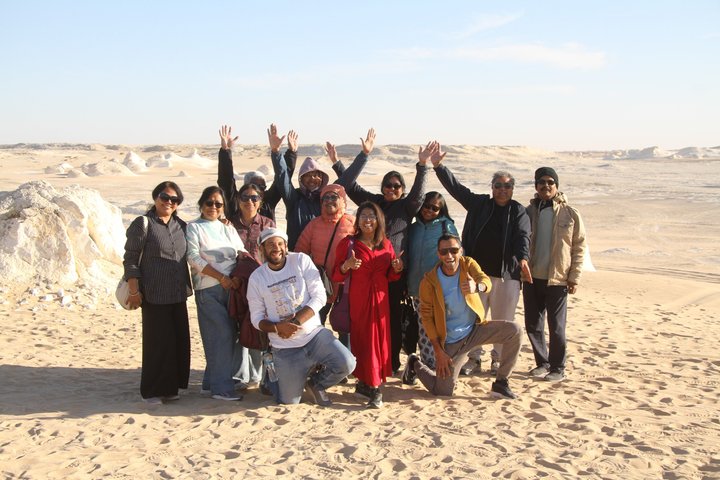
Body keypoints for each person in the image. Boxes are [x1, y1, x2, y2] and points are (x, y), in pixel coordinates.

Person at [332, 132, 434, 372]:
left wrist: (422, 166)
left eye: (397, 186)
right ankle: (363, 363)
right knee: (363, 319)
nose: (391, 189)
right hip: (365, 273)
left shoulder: (406, 207)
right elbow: (347, 185)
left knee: (391, 320)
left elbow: (419, 194)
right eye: (388, 185)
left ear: (402, 189)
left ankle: (391, 363)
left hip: (393, 273)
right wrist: (362, 155)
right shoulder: (373, 203)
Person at [432, 150, 530, 376]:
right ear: (492, 187)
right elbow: (456, 189)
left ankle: (498, 359)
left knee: (503, 320)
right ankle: (473, 358)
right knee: (474, 317)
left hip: (506, 277)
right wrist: (438, 167)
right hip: (475, 275)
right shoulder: (479, 204)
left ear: (512, 189)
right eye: (498, 185)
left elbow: (523, 237)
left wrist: (523, 259)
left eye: (507, 186)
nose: (502, 189)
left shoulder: (518, 211)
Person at [402, 234, 522, 399]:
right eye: (444, 252)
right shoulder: (428, 282)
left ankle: (501, 382)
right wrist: (439, 352)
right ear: (438, 254)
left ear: (461, 251)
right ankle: (414, 364)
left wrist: (477, 287)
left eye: (453, 250)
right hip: (452, 341)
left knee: (515, 330)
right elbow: (427, 318)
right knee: (443, 391)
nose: (449, 256)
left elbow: (485, 280)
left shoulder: (468, 264)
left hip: (476, 329)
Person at [247, 228, 356, 406]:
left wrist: (294, 323)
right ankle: (271, 378)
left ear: (286, 246)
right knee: (289, 401)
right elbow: (256, 318)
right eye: (270, 245)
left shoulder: (300, 260)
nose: (276, 248)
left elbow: (320, 296)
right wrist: (277, 328)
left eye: (280, 244)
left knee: (347, 363)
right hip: (284, 347)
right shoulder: (256, 278)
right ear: (262, 249)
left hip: (314, 336)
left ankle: (316, 383)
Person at [123, 181, 193, 404]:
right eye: (164, 197)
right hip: (154, 294)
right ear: (155, 197)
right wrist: (134, 290)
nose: (169, 202)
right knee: (157, 344)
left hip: (178, 293)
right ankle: (152, 391)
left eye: (174, 199)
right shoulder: (143, 224)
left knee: (177, 342)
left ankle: (170, 388)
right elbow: (130, 259)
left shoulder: (181, 226)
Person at [332, 202, 403, 408]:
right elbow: (336, 274)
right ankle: (374, 387)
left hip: (380, 300)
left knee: (379, 341)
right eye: (363, 216)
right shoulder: (348, 244)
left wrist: (397, 268)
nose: (367, 220)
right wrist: (347, 266)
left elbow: (391, 276)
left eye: (372, 216)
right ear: (358, 220)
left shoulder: (386, 244)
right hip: (359, 299)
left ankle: (365, 383)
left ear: (378, 220)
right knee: (364, 341)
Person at [522, 167, 587, 382]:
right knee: (533, 325)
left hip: (557, 279)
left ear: (556, 186)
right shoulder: (528, 212)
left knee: (556, 327)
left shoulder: (570, 213)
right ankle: (543, 363)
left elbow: (579, 247)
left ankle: (558, 367)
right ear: (536, 186)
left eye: (550, 182)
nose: (546, 186)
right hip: (532, 278)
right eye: (542, 182)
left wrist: (574, 277)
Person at [186, 186, 248, 401]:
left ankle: (210, 382)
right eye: (209, 202)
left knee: (229, 335)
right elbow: (193, 257)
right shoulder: (193, 227)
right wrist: (221, 277)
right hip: (209, 288)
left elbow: (241, 252)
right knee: (220, 336)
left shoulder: (227, 228)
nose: (214, 207)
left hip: (231, 287)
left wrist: (237, 276)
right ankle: (221, 388)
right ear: (201, 204)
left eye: (218, 204)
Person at [294, 184, 356, 345]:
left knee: (345, 327)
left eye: (334, 197)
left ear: (343, 200)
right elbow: (300, 253)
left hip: (345, 287)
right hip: (321, 285)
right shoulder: (314, 224)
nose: (329, 201)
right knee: (314, 325)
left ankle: (345, 358)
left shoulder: (353, 223)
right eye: (325, 198)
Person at [407, 191, 459, 369]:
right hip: (416, 286)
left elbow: (457, 254)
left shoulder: (447, 226)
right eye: (426, 206)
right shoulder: (414, 227)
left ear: (441, 210)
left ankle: (442, 362)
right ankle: (428, 364)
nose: (429, 210)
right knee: (424, 327)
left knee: (441, 327)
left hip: (440, 286)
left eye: (434, 208)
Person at [267, 123, 330, 250]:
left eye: (316, 175)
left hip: (321, 255)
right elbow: (283, 177)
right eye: (308, 175)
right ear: (301, 179)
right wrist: (276, 152)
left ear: (322, 179)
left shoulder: (327, 200)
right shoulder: (294, 198)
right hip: (296, 255)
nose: (312, 179)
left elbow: (347, 183)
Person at [217, 125, 296, 222]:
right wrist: (225, 151)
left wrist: (288, 153)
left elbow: (283, 178)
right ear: (245, 186)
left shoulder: (267, 203)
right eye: (255, 186)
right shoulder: (235, 203)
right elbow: (226, 180)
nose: (258, 190)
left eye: (262, 187)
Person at [227, 183, 275, 264]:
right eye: (245, 197)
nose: (249, 201)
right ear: (238, 200)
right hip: (234, 270)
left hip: (261, 270)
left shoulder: (268, 224)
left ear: (260, 201)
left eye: (254, 198)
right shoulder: (229, 223)